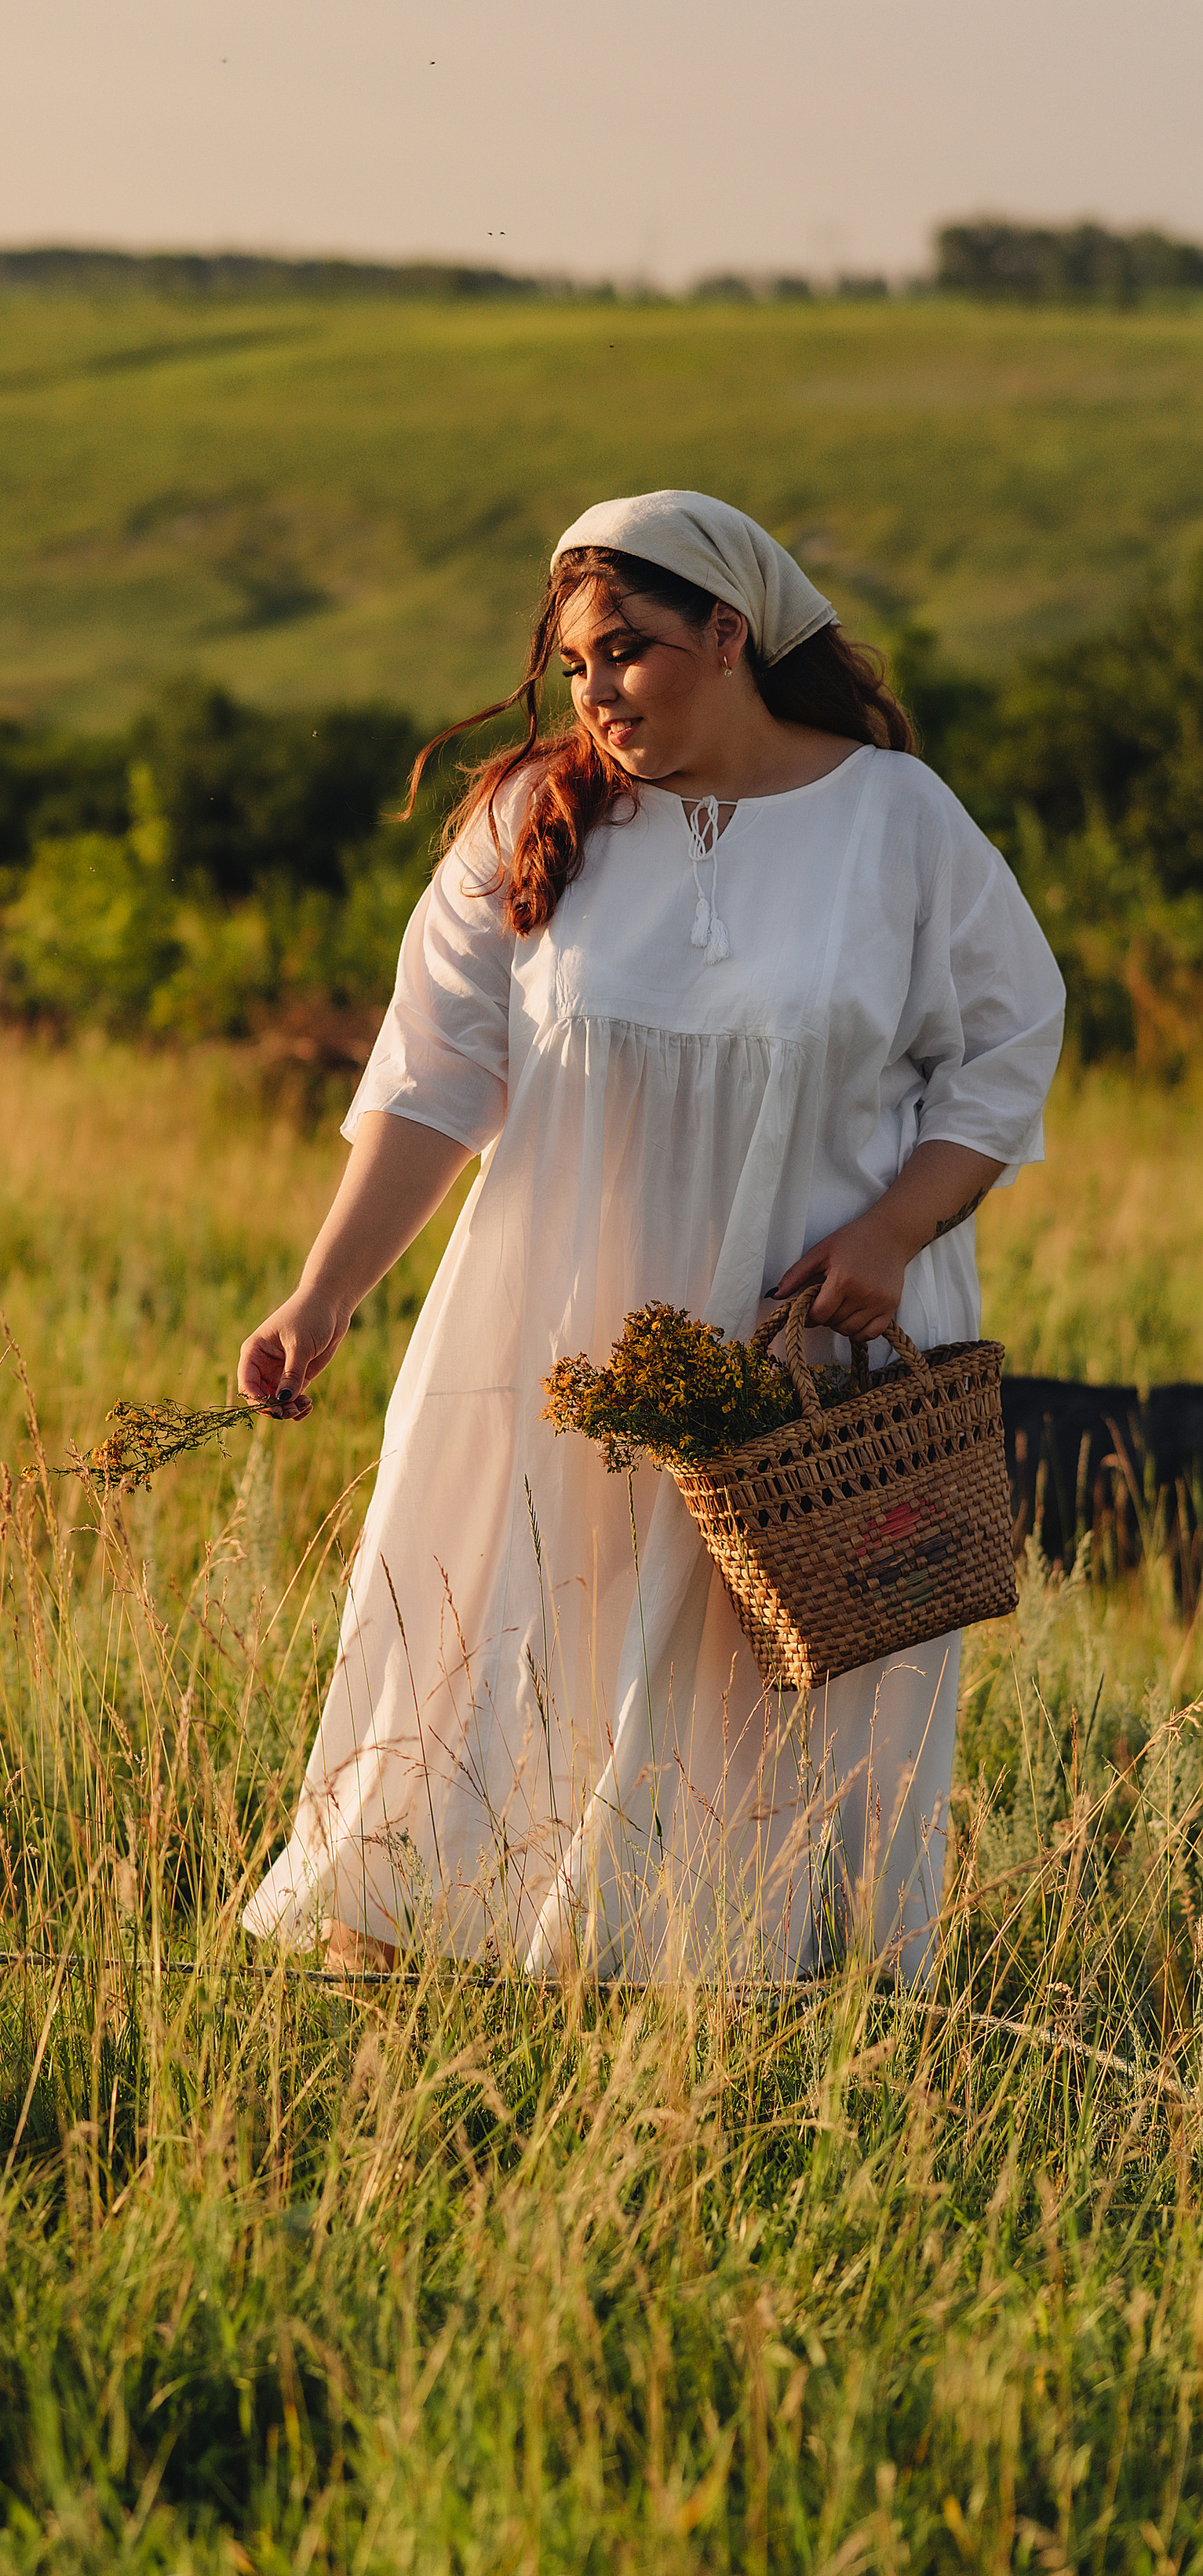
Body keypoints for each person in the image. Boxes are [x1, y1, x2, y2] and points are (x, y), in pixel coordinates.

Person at [236, 490, 1066, 1983]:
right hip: (564, 1330)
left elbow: (1010, 1044)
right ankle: (461, 1944)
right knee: (509, 1612)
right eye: (573, 663)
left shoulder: (894, 819)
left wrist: (894, 1228)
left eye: (627, 648)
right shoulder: (531, 823)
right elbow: (429, 1078)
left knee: (771, 1667)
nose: (596, 689)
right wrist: (326, 1291)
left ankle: (748, 1979)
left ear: (730, 634)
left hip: (808, 1340)